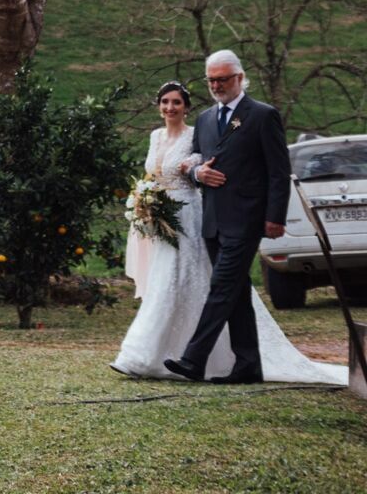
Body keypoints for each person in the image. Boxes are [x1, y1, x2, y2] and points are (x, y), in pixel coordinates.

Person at [110, 62, 345, 385]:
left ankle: (194, 359)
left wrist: (274, 217)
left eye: (222, 79)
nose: (217, 85)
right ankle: (248, 364)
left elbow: (278, 171)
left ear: (239, 78)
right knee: (234, 292)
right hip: (210, 220)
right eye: (212, 80)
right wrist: (195, 173)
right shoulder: (207, 120)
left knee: (221, 286)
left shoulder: (263, 115)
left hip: (244, 218)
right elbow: (198, 164)